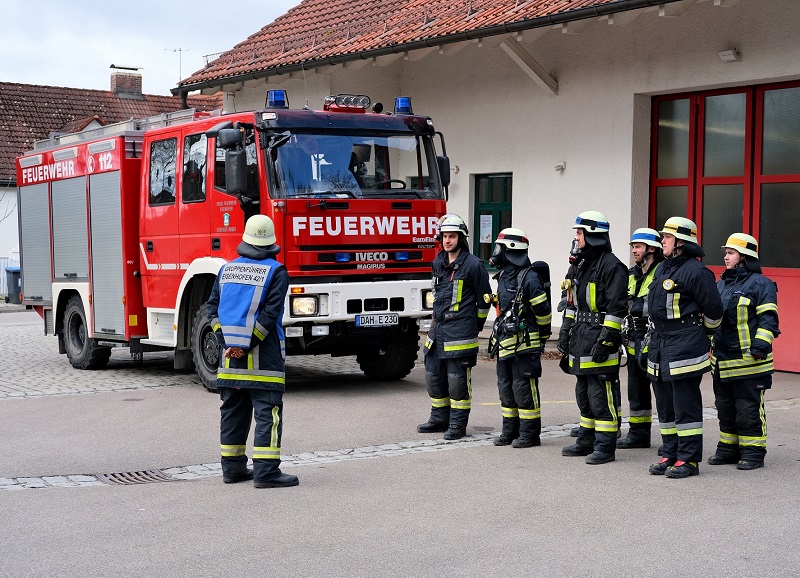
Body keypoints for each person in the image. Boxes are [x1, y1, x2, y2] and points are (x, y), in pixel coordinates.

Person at [205, 214, 298, 488]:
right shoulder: (276, 272)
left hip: (229, 362)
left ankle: (232, 469)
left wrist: (227, 343)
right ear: (271, 243)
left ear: (245, 239)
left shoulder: (226, 270)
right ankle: (266, 472)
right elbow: (269, 316)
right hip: (263, 360)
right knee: (268, 413)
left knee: (233, 411)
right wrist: (246, 345)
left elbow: (212, 309)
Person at [646, 217, 723, 479]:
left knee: (685, 405)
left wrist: (704, 335)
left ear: (680, 241)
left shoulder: (697, 272)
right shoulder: (662, 269)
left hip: (685, 346)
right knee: (665, 406)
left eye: (666, 237)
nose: (662, 241)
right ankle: (670, 452)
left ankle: (689, 460)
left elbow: (714, 311)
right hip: (659, 345)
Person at [558, 211, 628, 465]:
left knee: (601, 395)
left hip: (600, 338)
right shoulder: (579, 264)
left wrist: (607, 339)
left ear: (593, 235)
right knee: (584, 393)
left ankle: (605, 446)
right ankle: (586, 439)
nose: (576, 238)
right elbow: (571, 302)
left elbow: (618, 308)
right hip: (581, 336)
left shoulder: (612, 266)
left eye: (579, 233)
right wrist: (565, 330)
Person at [418, 214, 492, 440]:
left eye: (452, 236)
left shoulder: (473, 265)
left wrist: (474, 325)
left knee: (457, 382)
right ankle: (439, 419)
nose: (447, 240)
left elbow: (484, 301)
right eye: (445, 236)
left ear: (462, 238)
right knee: (433, 376)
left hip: (460, 333)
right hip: (437, 330)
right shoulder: (438, 262)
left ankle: (458, 425)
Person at [709, 233, 779, 470]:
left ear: (743, 257)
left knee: (748, 409)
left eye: (730, 253)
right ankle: (728, 449)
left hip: (751, 362)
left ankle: (753, 453)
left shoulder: (762, 284)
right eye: (726, 253)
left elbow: (768, 319)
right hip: (722, 362)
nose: (725, 257)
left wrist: (760, 346)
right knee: (725, 408)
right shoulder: (721, 284)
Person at [487, 228, 552, 448]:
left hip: (526, 344)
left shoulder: (530, 277)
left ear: (511, 250)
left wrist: (542, 337)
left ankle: (530, 434)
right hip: (505, 342)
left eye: (499, 248)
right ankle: (509, 431)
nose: (496, 252)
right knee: (506, 388)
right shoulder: (504, 274)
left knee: (523, 388)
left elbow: (543, 312)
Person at [617, 228, 663, 449]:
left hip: (655, 341)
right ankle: (639, 434)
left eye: (638, 246)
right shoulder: (631, 274)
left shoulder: (662, 273)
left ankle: (671, 441)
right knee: (636, 390)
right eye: (633, 246)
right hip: (634, 340)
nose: (634, 250)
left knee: (663, 393)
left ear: (651, 249)